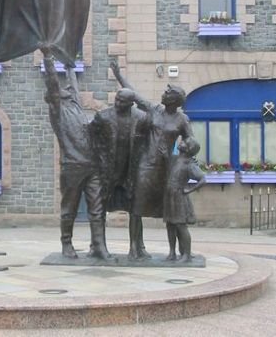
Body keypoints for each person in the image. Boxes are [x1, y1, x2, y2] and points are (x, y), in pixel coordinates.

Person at [41, 46, 111, 260]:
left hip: (92, 166)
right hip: (72, 166)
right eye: (61, 89)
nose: (67, 88)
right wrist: (47, 58)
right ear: (54, 97)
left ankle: (98, 245)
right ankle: (66, 244)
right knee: (69, 208)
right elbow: (53, 83)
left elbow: (73, 82)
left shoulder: (75, 104)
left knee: (97, 209)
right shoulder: (57, 111)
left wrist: (70, 62)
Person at [110, 61, 195, 220]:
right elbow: (134, 95)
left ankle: (173, 245)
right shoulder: (155, 109)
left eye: (167, 92)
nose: (163, 93)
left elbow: (192, 144)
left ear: (174, 100)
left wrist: (180, 160)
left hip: (165, 168)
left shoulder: (182, 120)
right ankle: (136, 244)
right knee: (136, 208)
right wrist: (118, 75)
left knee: (171, 212)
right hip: (145, 164)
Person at [90, 88, 150, 260]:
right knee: (99, 208)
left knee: (135, 210)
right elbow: (91, 137)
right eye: (116, 99)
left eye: (121, 101)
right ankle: (97, 246)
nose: (117, 103)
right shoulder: (103, 116)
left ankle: (136, 247)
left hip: (131, 170)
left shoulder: (141, 118)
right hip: (107, 170)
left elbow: (147, 142)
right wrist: (99, 158)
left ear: (130, 103)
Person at [164, 137, 205, 262]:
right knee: (170, 224)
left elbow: (203, 180)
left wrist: (189, 190)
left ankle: (186, 254)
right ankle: (172, 252)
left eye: (184, 142)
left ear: (188, 149)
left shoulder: (189, 164)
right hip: (169, 195)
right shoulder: (175, 159)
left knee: (181, 226)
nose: (180, 142)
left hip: (179, 197)